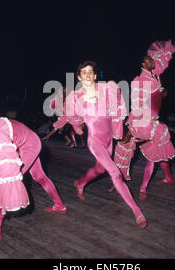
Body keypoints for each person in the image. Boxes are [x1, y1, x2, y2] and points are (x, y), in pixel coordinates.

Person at [52, 60, 147, 228]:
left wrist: (118, 131)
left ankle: (80, 183)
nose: (88, 73)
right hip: (94, 141)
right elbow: (71, 116)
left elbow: (118, 111)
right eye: (84, 72)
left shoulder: (107, 90)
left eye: (90, 71)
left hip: (108, 140)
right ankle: (137, 212)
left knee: (99, 169)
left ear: (95, 76)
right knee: (115, 173)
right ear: (80, 77)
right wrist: (77, 127)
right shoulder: (76, 98)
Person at [113, 40, 175, 199]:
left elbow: (163, 61)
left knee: (159, 154)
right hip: (147, 123)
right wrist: (134, 126)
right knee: (155, 154)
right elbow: (138, 105)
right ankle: (141, 188)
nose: (153, 62)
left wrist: (171, 48)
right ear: (143, 64)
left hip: (153, 120)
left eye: (153, 60)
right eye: (149, 60)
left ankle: (168, 177)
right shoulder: (139, 81)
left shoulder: (155, 75)